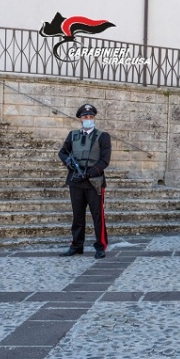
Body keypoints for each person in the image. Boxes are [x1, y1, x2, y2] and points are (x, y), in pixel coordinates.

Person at [58, 103, 111, 259]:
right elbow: (62, 152)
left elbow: (104, 160)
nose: (88, 119)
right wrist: (69, 163)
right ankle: (76, 245)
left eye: (91, 117)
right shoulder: (72, 135)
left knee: (97, 216)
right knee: (77, 216)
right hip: (75, 181)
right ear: (80, 119)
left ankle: (100, 246)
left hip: (95, 182)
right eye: (85, 117)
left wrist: (88, 173)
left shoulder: (103, 136)